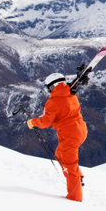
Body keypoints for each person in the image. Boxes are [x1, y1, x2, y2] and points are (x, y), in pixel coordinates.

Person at [27, 73, 88, 202]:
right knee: (59, 154)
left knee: (69, 166)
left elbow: (45, 122)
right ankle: (79, 176)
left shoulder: (53, 102)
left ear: (52, 87)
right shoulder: (71, 95)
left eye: (48, 88)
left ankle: (74, 199)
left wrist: (33, 122)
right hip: (80, 130)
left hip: (70, 135)